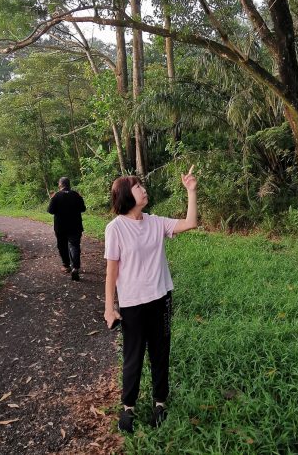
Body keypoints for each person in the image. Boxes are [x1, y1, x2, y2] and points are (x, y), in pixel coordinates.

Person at [104, 166, 197, 433]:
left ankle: (159, 403)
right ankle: (128, 408)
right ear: (126, 195)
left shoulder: (156, 222)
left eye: (142, 186)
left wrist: (191, 191)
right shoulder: (115, 228)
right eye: (138, 187)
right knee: (133, 356)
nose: (144, 190)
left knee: (160, 353)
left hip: (161, 299)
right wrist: (109, 307)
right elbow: (112, 272)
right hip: (132, 303)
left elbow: (190, 223)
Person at [47, 177, 86, 281]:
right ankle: (75, 268)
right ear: (69, 184)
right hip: (75, 226)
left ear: (60, 185)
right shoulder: (76, 195)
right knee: (74, 246)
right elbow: (83, 209)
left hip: (60, 227)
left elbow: (50, 211)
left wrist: (52, 199)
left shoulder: (56, 196)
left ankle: (66, 265)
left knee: (62, 246)